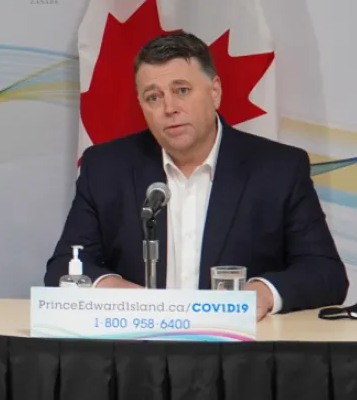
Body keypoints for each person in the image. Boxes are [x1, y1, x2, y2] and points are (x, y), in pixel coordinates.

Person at [44, 33, 348, 320]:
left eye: (182, 91)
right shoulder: (106, 168)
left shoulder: (278, 168)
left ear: (214, 91)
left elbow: (325, 273)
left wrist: (263, 294)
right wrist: (118, 292)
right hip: (137, 354)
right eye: (153, 97)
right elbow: (64, 267)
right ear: (142, 105)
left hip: (238, 359)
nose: (169, 108)